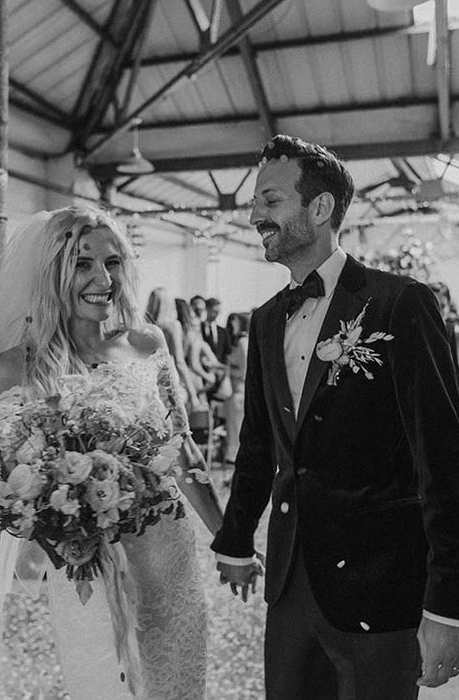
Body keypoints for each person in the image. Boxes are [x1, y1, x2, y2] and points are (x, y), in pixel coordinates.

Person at [0, 206, 224, 700]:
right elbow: (6, 485)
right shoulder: (12, 368)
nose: (102, 278)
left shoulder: (148, 343)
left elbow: (182, 447)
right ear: (53, 274)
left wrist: (229, 538)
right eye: (83, 263)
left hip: (166, 553)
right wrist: (58, 526)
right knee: (102, 684)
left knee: (179, 682)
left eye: (112, 262)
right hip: (83, 566)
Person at [211, 134, 459, 699]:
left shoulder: (400, 302)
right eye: (256, 204)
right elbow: (258, 443)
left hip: (380, 586)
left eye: (271, 202)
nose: (254, 216)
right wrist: (235, 536)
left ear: (320, 209)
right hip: (291, 587)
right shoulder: (267, 319)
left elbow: (442, 458)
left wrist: (448, 606)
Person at [145, 287, 206, 417]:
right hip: (168, 377)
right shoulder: (173, 326)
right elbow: (180, 362)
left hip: (148, 378)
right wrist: (193, 395)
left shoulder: (145, 327)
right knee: (176, 423)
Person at [222, 312, 249, 467]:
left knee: (235, 424)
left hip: (238, 387)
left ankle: (234, 454)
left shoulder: (242, 342)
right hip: (236, 386)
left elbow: (245, 365)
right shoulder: (240, 342)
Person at [201, 296, 230, 363]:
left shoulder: (223, 331)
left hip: (220, 368)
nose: (216, 315)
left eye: (218, 312)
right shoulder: (199, 328)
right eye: (214, 311)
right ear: (207, 309)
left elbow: (227, 352)